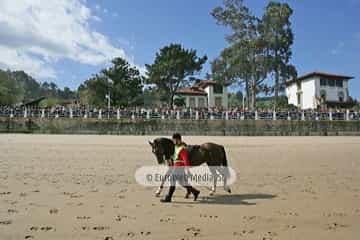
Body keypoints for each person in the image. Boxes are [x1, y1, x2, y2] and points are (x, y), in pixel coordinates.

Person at [160, 133, 200, 203]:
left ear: (178, 140)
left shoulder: (182, 149)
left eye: (174, 140)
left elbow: (185, 160)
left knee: (173, 181)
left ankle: (168, 197)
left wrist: (187, 170)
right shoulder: (176, 148)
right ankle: (195, 192)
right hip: (176, 166)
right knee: (182, 182)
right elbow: (174, 157)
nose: (173, 141)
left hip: (179, 167)